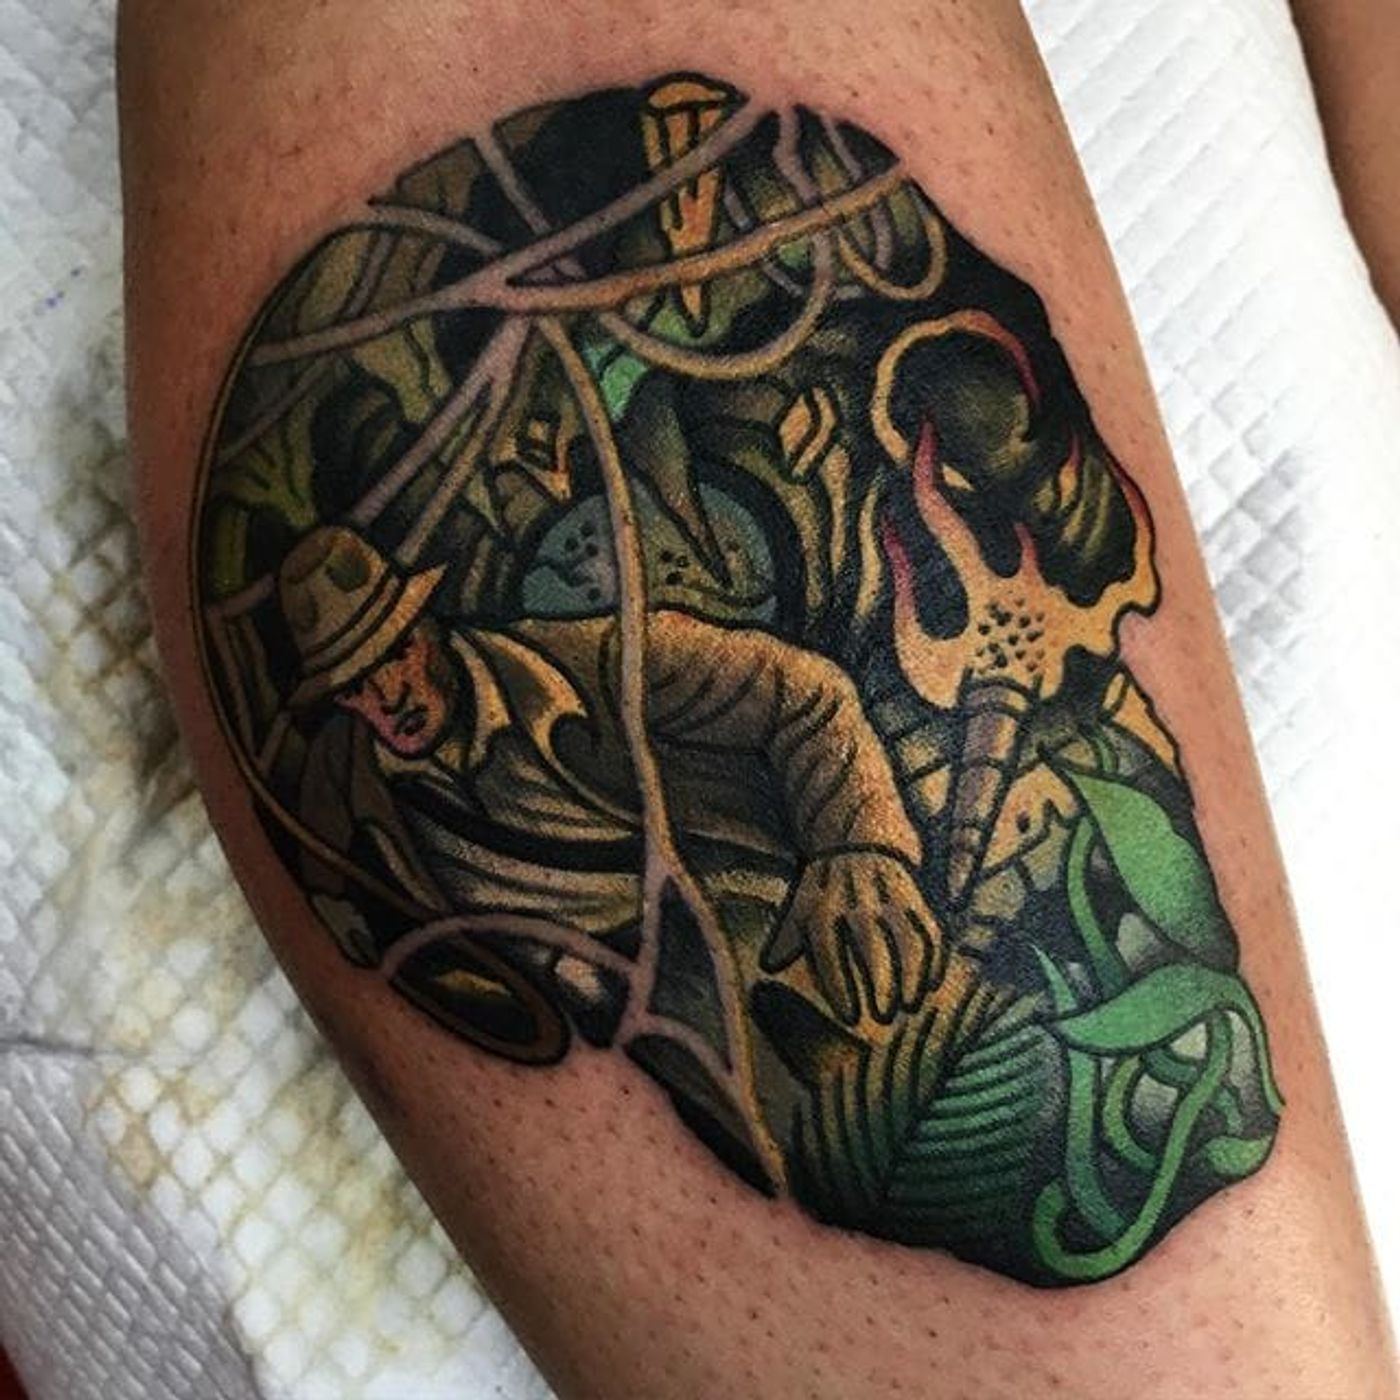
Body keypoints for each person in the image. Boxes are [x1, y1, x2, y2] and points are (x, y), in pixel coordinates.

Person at [280, 523, 942, 1025]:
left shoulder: (593, 662)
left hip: (736, 936)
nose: (388, 695)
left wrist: (854, 842)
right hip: (588, 1025)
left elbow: (802, 689)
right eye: (356, 686)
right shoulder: (350, 772)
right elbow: (320, 867)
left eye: (397, 652)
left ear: (429, 629)